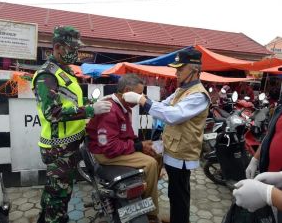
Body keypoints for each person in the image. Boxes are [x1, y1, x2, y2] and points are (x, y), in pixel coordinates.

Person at [31, 25, 112, 223]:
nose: (76, 53)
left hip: (71, 144)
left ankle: (48, 217)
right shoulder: (46, 76)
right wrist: (91, 111)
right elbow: (53, 113)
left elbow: (72, 103)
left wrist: (94, 103)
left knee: (58, 191)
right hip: (58, 148)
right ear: (57, 47)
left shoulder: (65, 71)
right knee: (58, 195)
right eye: (71, 48)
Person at [123, 47, 210, 223]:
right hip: (172, 149)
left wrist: (142, 100)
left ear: (194, 69)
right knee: (175, 192)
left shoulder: (198, 95)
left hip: (182, 155)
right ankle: (176, 218)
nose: (176, 73)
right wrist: (146, 102)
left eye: (180, 68)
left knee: (179, 194)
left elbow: (173, 115)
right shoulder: (181, 90)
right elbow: (163, 105)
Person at [86, 74, 161, 223]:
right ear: (127, 90)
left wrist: (141, 144)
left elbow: (127, 134)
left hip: (115, 147)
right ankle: (151, 214)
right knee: (150, 163)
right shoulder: (110, 110)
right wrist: (138, 146)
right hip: (105, 153)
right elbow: (110, 147)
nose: (141, 98)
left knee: (157, 152)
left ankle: (146, 189)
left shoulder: (124, 106)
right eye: (139, 94)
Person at [233, 100, 282, 221]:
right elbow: (270, 136)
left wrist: (269, 195)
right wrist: (255, 159)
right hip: (272, 183)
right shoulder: (280, 108)